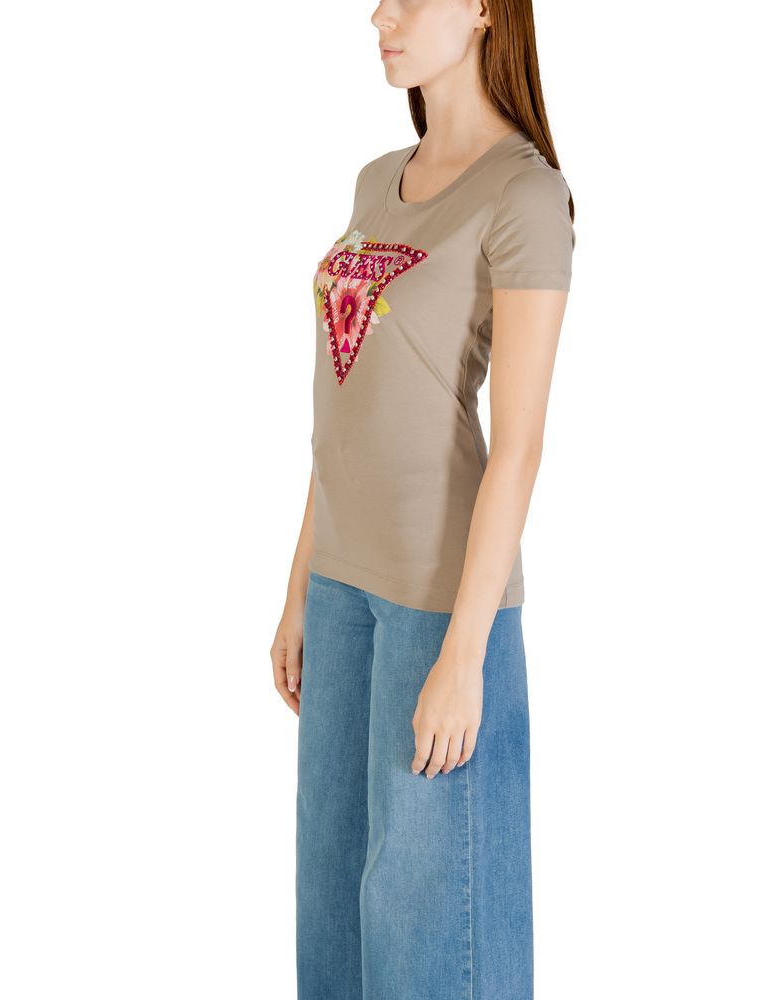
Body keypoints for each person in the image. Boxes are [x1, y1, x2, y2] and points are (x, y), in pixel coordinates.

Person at [271, 2, 575, 996]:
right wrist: (299, 586)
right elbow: (344, 403)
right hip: (340, 590)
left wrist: (464, 653)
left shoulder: (524, 194)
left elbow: (519, 447)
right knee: (333, 929)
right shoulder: (375, 181)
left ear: (483, 10)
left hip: (438, 604)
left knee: (429, 942)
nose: (380, 15)